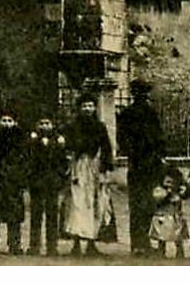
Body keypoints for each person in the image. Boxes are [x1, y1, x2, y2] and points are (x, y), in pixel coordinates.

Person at [117, 78, 166, 255]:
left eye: (142, 93)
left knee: (141, 204)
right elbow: (124, 139)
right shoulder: (135, 114)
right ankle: (140, 243)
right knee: (142, 204)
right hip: (142, 163)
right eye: (139, 93)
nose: (141, 96)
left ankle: (139, 243)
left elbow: (159, 139)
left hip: (143, 164)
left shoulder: (139, 113)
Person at [62, 94, 115, 256]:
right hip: (78, 168)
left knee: (96, 204)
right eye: (84, 106)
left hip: (94, 169)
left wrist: (105, 168)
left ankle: (92, 242)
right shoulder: (72, 127)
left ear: (94, 108)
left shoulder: (100, 127)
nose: (87, 109)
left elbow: (106, 148)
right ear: (79, 108)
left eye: (90, 106)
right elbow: (67, 147)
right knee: (77, 203)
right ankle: (77, 242)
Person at [25, 115, 69, 256]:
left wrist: (59, 177)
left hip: (52, 182)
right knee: (36, 214)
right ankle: (34, 246)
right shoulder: (32, 141)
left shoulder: (59, 141)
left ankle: (52, 247)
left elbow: (63, 162)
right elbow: (28, 160)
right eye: (41, 123)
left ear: (52, 125)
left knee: (52, 214)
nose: (44, 126)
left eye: (47, 123)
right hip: (37, 182)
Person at [0, 108, 28, 255]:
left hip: (13, 183)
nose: (7, 124)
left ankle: (14, 244)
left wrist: (20, 179)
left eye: (10, 121)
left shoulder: (20, 140)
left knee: (14, 216)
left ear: (15, 123)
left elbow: (24, 162)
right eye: (4, 121)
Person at [147, 166, 190, 258]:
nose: (170, 184)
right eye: (167, 182)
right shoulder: (160, 190)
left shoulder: (178, 192)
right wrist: (167, 195)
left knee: (178, 236)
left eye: (172, 182)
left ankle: (180, 251)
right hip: (162, 216)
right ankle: (161, 250)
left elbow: (186, 194)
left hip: (175, 216)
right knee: (161, 236)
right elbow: (157, 198)